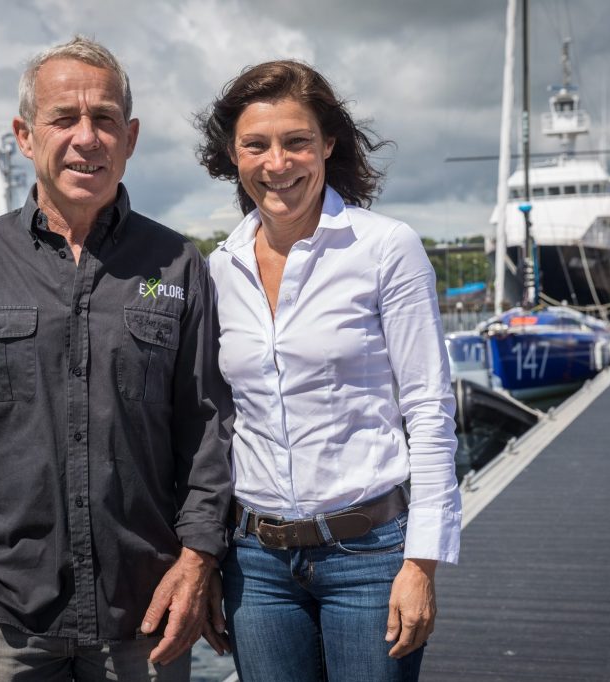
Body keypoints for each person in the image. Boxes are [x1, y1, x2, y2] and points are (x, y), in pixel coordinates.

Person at [0, 36, 232, 681]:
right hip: (2, 610)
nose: (87, 138)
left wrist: (199, 558)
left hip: (143, 605)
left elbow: (207, 426)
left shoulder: (178, 265)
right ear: (25, 135)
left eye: (105, 120)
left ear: (131, 137)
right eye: (64, 119)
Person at [196, 60, 462, 681]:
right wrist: (208, 558)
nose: (277, 162)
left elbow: (428, 407)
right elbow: (218, 422)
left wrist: (421, 563)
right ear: (233, 156)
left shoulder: (385, 248)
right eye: (255, 145)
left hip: (370, 556)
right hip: (255, 565)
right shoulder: (218, 269)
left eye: (297, 142)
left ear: (328, 145)